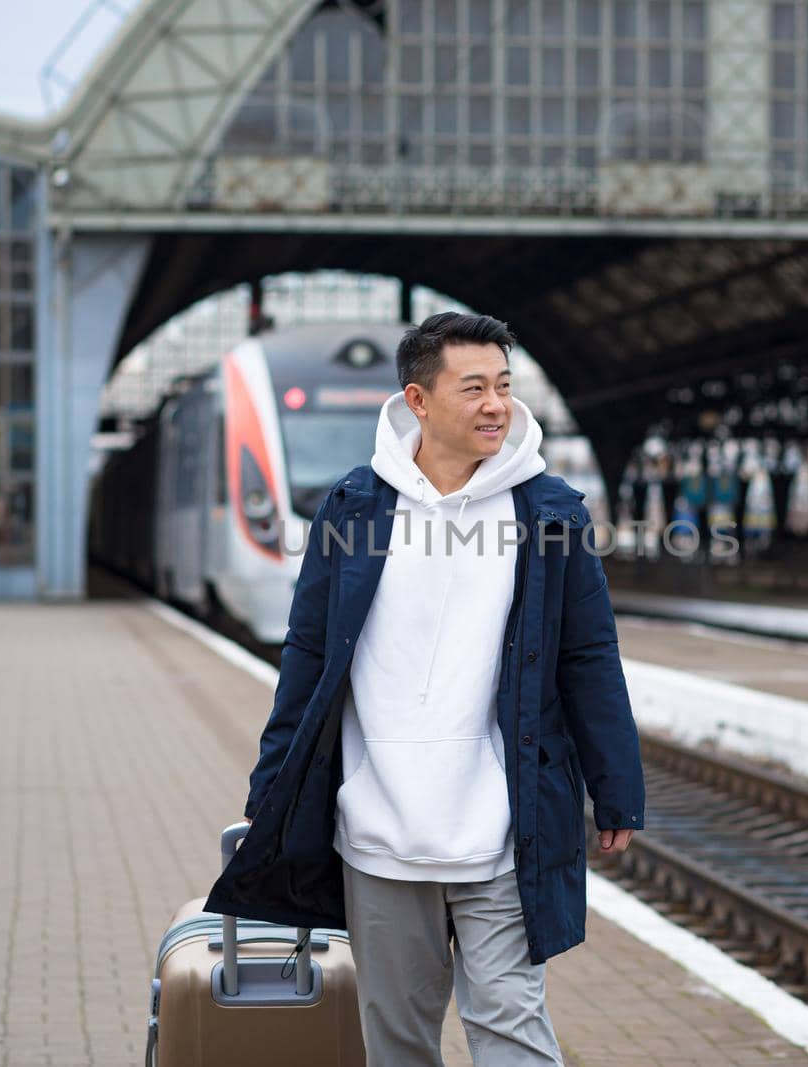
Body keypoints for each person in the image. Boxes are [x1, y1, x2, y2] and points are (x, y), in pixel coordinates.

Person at [206, 312, 646, 1066]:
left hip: (504, 832)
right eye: (472, 387)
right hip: (381, 835)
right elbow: (308, 655)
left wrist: (617, 788)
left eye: (503, 387)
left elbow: (588, 657)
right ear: (417, 399)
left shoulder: (547, 513)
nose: (494, 406)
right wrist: (272, 778)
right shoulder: (355, 508)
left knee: (512, 1027)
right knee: (399, 1042)